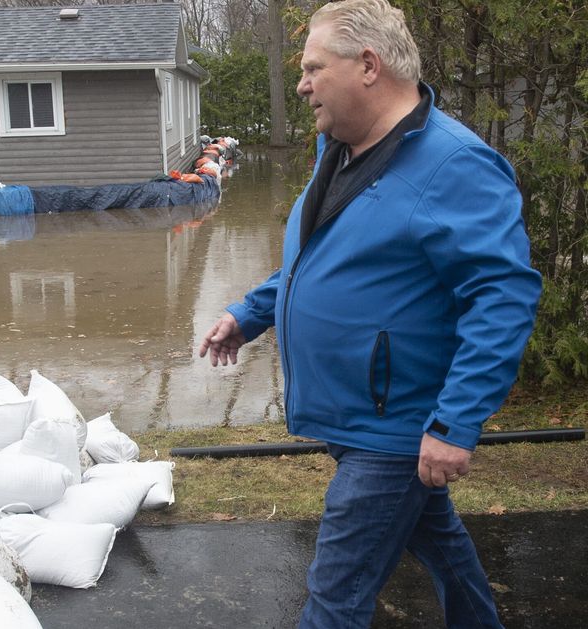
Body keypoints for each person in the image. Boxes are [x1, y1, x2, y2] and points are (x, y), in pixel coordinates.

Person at [196, 0, 542, 626]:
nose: (301, 86)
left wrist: (455, 423)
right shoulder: (343, 152)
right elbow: (323, 262)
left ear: (368, 66)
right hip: (360, 418)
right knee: (444, 550)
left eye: (312, 68)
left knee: (335, 596)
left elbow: (502, 297)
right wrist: (251, 313)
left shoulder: (453, 165)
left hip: (395, 428)